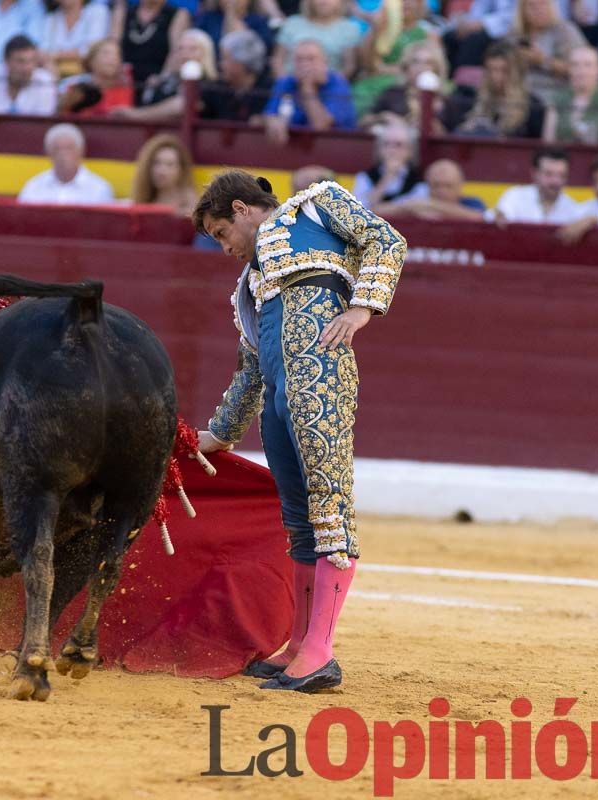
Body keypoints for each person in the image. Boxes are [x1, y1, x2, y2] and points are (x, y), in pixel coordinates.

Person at [192, 169, 407, 692]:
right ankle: (298, 644)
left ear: (243, 209)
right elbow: (249, 371)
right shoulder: (250, 285)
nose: (225, 249)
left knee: (328, 510)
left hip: (322, 384)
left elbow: (386, 238)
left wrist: (362, 307)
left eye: (222, 233)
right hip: (278, 403)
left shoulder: (314, 206)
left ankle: (320, 653)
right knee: (300, 521)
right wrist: (214, 437)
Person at [262, 38, 358, 144]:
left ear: (325, 62)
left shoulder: (338, 84)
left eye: (311, 59)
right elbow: (269, 114)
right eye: (299, 60)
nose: (304, 65)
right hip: (291, 149)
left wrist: (307, 87)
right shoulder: (285, 82)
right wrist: (272, 121)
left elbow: (321, 126)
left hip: (334, 148)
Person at [110, 27, 216, 122]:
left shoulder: (211, 83)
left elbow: (184, 105)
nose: (185, 54)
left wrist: (135, 115)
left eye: (192, 49)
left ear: (206, 53)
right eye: (180, 49)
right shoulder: (165, 80)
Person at [443, 40, 545, 137]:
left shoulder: (532, 106)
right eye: (491, 70)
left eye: (505, 71)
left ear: (516, 72)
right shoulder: (472, 99)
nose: (496, 77)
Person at [507, 0, 588, 104]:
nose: (538, 9)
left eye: (543, 3)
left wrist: (542, 61)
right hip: (518, 94)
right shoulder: (514, 35)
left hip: (553, 95)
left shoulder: (565, 32)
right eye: (531, 5)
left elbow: (581, 70)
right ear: (522, 10)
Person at [361, 39, 450, 132]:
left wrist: (433, 126)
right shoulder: (392, 93)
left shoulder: (445, 99)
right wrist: (383, 117)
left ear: (436, 69)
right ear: (406, 67)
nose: (421, 67)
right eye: (415, 62)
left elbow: (456, 133)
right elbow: (363, 122)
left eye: (428, 63)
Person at [18, 123, 114, 205]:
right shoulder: (33, 186)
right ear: (48, 153)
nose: (63, 154)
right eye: (57, 149)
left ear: (81, 151)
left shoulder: (99, 188)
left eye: (69, 148)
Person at [543, 46, 598, 145]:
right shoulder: (557, 99)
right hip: (559, 158)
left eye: (588, 65)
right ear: (569, 69)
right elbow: (548, 142)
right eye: (575, 65)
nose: (581, 71)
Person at [374, 158, 490, 221]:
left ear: (459, 186)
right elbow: (376, 211)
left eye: (448, 186)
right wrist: (408, 207)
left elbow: (482, 218)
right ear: (428, 184)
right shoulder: (418, 200)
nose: (442, 190)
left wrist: (432, 205)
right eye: (436, 185)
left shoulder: (472, 203)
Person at [112, 0, 191, 91]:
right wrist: (118, 73)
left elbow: (177, 51)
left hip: (157, 81)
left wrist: (162, 78)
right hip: (124, 79)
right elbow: (113, 46)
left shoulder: (178, 14)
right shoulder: (123, 12)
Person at [272, 0, 363, 77]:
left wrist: (331, 84)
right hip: (290, 84)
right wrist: (285, 83)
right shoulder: (292, 23)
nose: (324, 2)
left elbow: (350, 66)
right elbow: (277, 60)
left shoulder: (349, 28)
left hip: (330, 89)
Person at [200, 27, 272, 121]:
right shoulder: (215, 89)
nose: (220, 64)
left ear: (242, 62)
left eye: (225, 58)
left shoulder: (269, 90)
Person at [494, 147, 581, 223]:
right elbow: (495, 218)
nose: (556, 181)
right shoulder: (515, 197)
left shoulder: (572, 208)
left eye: (562, 175)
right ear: (534, 173)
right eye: (548, 174)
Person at [351, 117, 424, 207]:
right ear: (379, 149)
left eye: (398, 145)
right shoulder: (364, 177)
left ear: (410, 151)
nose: (391, 150)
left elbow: (420, 208)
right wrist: (387, 177)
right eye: (386, 144)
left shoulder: (419, 180)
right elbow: (360, 209)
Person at [56, 37, 134, 115]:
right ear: (91, 60)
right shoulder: (75, 87)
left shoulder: (124, 89)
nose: (113, 58)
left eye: (117, 55)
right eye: (106, 53)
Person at [129, 133, 199, 216]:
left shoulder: (189, 201)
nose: (162, 170)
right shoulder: (143, 195)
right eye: (156, 163)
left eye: (170, 164)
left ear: (181, 169)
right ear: (147, 167)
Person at [39, 0, 110, 78]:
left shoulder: (97, 12)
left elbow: (92, 49)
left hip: (89, 75)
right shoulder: (51, 18)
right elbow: (43, 51)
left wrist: (56, 55)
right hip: (54, 74)